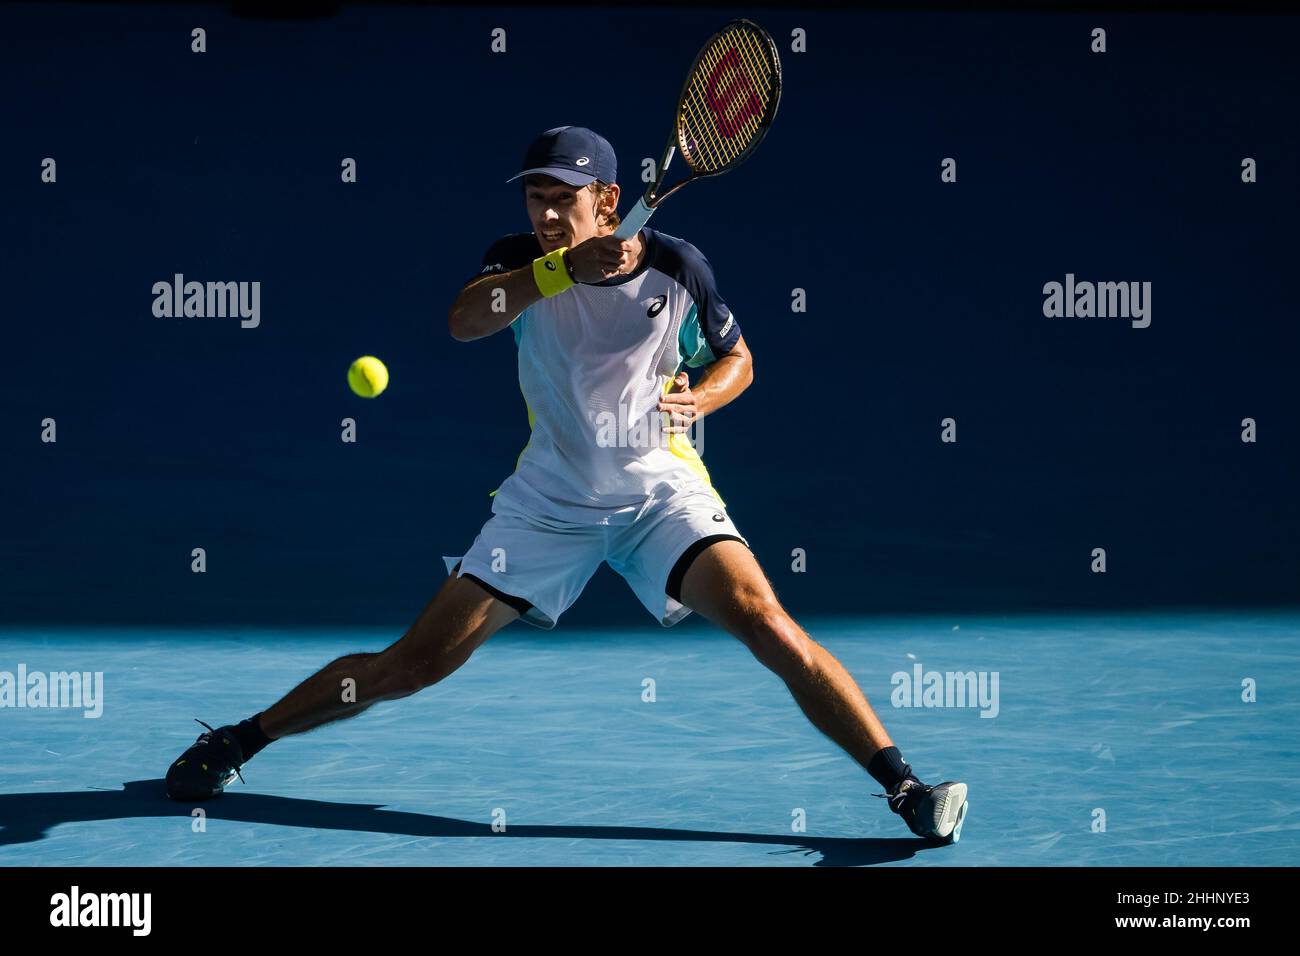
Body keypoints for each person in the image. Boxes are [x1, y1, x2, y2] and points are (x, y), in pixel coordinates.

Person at [165, 126, 969, 845]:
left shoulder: (677, 266)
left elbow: (740, 359)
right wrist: (557, 269)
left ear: (609, 199)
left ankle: (905, 789)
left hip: (661, 496)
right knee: (412, 665)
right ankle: (240, 738)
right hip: (547, 508)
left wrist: (701, 396)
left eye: (564, 198)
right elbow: (466, 320)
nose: (547, 212)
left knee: (765, 618)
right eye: (536, 198)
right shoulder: (519, 259)